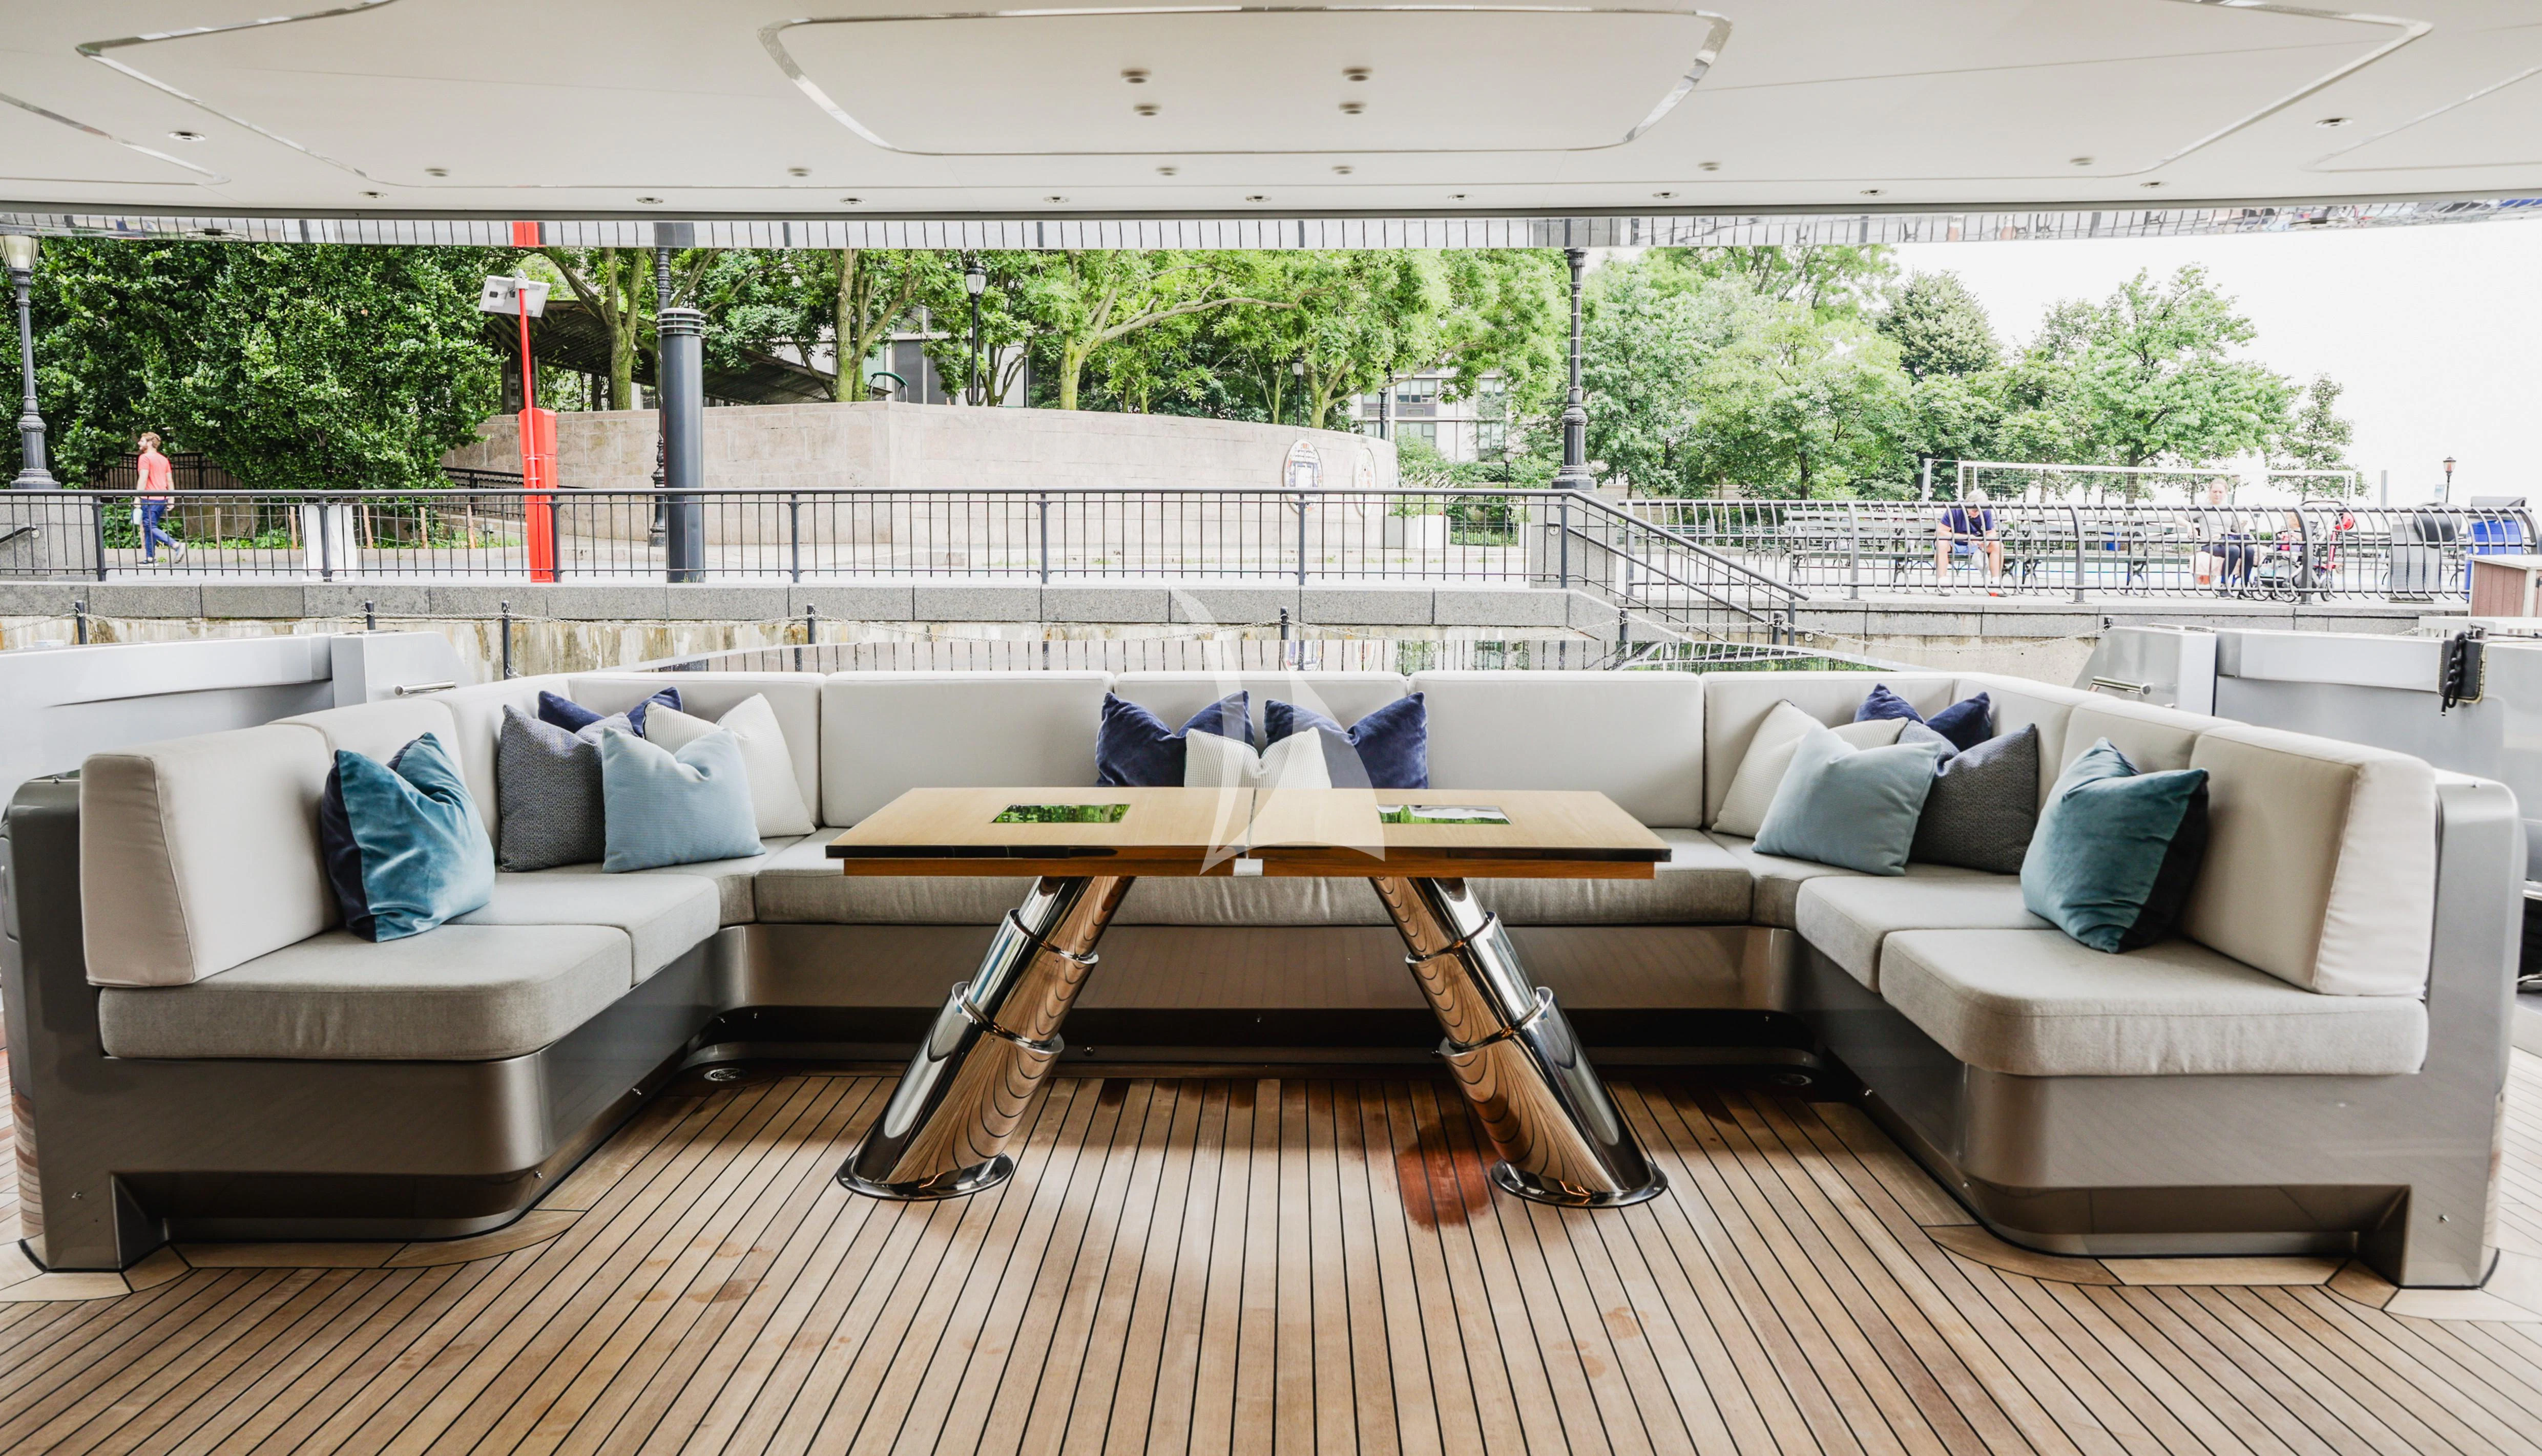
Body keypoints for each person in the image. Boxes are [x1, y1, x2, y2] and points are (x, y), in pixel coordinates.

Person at [133, 432, 185, 564]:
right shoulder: (163, 459)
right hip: (162, 499)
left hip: (149, 498)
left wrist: (137, 498)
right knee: (150, 526)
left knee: (149, 526)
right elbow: (170, 481)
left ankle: (176, 545)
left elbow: (143, 478)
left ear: (150, 443)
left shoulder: (145, 458)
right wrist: (171, 499)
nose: (139, 443)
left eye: (142, 441)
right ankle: (150, 558)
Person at [1933, 488, 2003, 582]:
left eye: (1980, 511)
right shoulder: (1955, 509)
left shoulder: (1986, 511)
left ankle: (1996, 581)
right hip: (1953, 544)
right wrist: (1967, 537)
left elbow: (1991, 532)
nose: (1977, 514)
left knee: (1998, 545)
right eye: (1974, 510)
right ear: (1967, 503)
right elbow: (1940, 532)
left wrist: (1987, 540)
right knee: (1941, 543)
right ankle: (1942, 581)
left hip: (1976, 545)